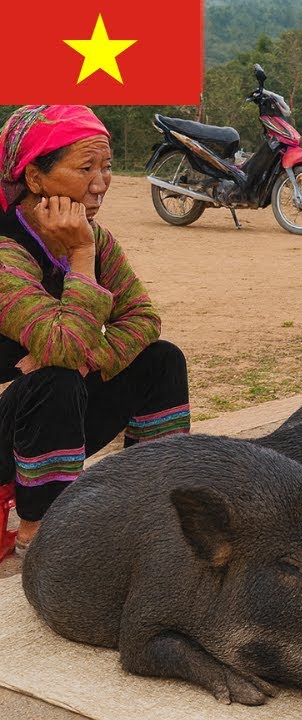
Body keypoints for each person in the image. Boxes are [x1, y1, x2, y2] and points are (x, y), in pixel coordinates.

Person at [0, 105, 190, 553]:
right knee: (55, 379)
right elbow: (62, 349)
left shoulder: (95, 236)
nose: (102, 182)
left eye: (106, 167)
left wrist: (91, 358)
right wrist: (81, 257)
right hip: (11, 429)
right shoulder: (7, 252)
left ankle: (152, 493)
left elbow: (143, 317)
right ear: (34, 178)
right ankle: (38, 525)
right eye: (85, 167)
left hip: (51, 420)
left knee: (162, 359)